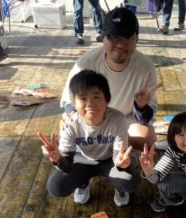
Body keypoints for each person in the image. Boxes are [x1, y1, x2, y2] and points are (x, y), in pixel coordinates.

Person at [61, 7, 161, 151]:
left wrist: (141, 107)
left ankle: (112, 150)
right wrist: (76, 121)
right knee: (65, 130)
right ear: (103, 37)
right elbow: (70, 103)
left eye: (127, 38)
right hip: (92, 118)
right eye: (114, 37)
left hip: (126, 119)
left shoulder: (146, 68)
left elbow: (144, 120)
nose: (121, 44)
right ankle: (106, 148)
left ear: (136, 39)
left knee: (147, 138)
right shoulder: (85, 64)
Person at [38, 70, 140, 206]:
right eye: (83, 98)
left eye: (96, 97)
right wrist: (57, 158)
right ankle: (82, 183)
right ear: (74, 103)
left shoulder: (118, 119)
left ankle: (119, 188)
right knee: (56, 187)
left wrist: (121, 164)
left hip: (110, 160)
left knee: (130, 182)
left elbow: (118, 154)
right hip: (83, 160)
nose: (90, 103)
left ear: (107, 99)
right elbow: (67, 165)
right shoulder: (70, 124)